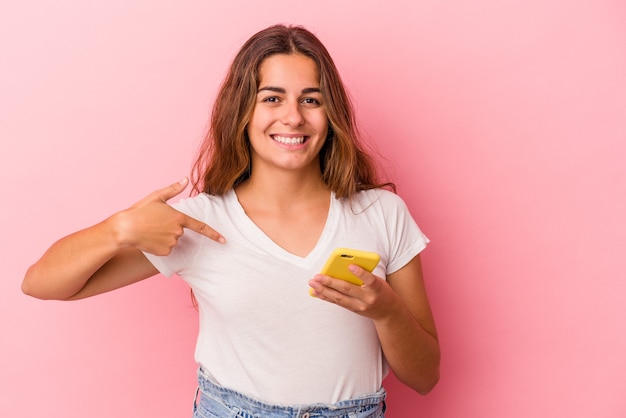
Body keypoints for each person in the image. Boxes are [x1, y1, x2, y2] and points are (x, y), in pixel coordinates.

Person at [22, 24, 440, 418]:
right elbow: (41, 283)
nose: (293, 117)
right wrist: (119, 230)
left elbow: (424, 378)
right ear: (242, 110)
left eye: (310, 99)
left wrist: (387, 311)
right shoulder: (199, 223)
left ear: (330, 116)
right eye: (272, 98)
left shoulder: (381, 213)